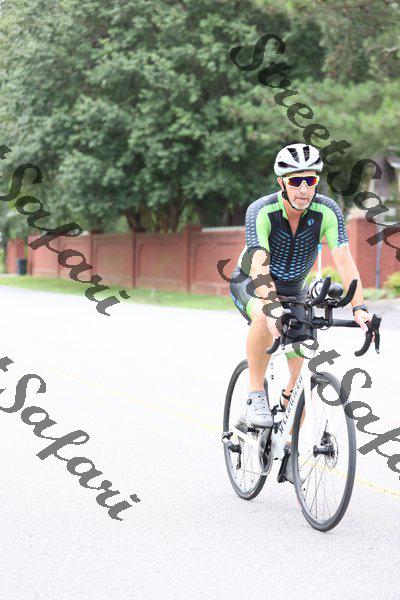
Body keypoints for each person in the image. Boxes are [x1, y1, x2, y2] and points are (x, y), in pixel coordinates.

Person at [229, 142, 372, 482]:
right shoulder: (261, 211)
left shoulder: (327, 211)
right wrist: (272, 307)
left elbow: (344, 259)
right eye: (296, 181)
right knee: (264, 314)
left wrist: (360, 307)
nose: (304, 188)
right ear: (282, 183)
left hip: (295, 290)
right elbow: (259, 264)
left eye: (311, 180)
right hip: (252, 282)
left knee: (300, 374)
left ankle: (290, 445)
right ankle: (254, 394)